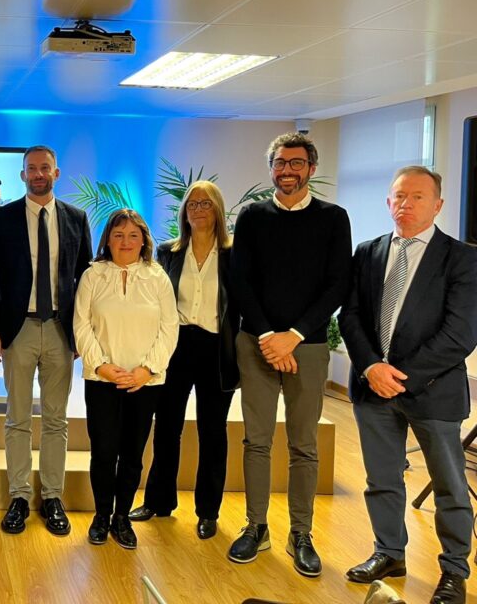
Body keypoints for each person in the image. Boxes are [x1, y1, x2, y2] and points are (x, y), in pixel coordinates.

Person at [340, 166, 477, 604]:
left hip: (433, 391)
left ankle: (454, 571)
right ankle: (389, 553)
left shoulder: (462, 258)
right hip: (371, 388)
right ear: (388, 202)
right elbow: (350, 316)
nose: (406, 204)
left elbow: (460, 334)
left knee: (449, 487)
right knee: (381, 479)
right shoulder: (368, 252)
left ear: (437, 205)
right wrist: (370, 367)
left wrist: (401, 375)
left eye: (418, 197)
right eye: (399, 196)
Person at [228, 132, 352, 577]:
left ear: (311, 169)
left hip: (308, 345)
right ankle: (256, 526)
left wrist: (293, 336)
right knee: (256, 441)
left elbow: (338, 284)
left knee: (304, 445)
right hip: (256, 344)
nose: (287, 170)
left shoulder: (333, 218)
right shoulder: (252, 216)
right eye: (280, 163)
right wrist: (267, 336)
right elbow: (239, 281)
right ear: (271, 168)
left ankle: (301, 533)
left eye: (296, 163)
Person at [0, 145, 92, 536]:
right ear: (23, 175)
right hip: (18, 329)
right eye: (32, 168)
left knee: (56, 419)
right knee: (17, 418)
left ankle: (52, 497)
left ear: (56, 173)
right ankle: (18, 496)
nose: (38, 174)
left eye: (45, 168)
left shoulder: (76, 218)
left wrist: (81, 332)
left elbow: (85, 277)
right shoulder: (1, 218)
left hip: (61, 330)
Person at [130, 181, 240, 540]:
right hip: (176, 347)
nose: (198, 209)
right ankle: (158, 501)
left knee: (213, 431)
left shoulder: (234, 254)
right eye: (192, 204)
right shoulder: (169, 252)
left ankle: (208, 511)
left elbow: (242, 306)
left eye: (205, 203)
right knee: (166, 427)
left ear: (218, 209)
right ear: (184, 212)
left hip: (217, 350)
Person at [74, 209, 178, 549]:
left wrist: (147, 370)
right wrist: (101, 366)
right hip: (101, 380)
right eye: (118, 235)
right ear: (108, 239)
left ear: (144, 240)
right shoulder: (93, 275)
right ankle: (101, 515)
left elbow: (169, 328)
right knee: (103, 451)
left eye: (134, 235)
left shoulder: (157, 277)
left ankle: (122, 517)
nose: (126, 242)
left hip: (143, 382)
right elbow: (81, 325)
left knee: (132, 454)